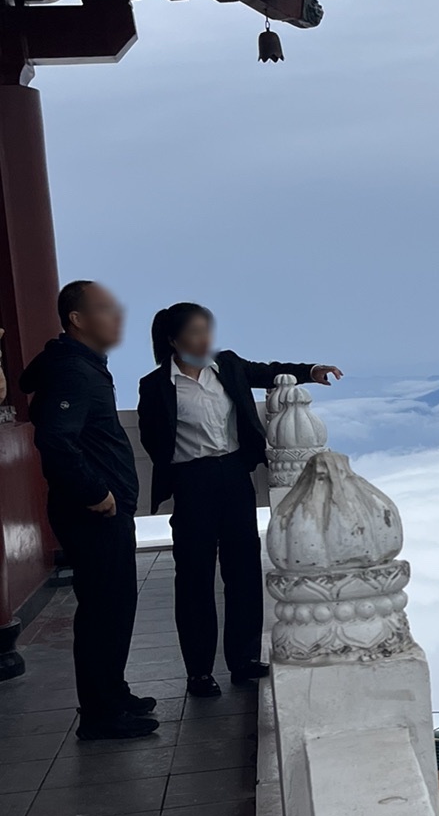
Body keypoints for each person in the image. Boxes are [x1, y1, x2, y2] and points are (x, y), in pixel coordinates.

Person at [137, 304, 341, 696]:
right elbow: (152, 437)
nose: (205, 340)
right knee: (194, 577)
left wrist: (311, 371)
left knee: (243, 570)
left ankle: (244, 658)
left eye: (207, 331)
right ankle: (198, 671)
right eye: (195, 333)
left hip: (234, 475)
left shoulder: (226, 366)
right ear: (173, 340)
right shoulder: (157, 384)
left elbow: (267, 371)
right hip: (192, 480)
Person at [19, 281, 156, 740]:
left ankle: (113, 695)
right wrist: (95, 491)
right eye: (104, 309)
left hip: (103, 510)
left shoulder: (81, 364)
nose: (117, 317)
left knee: (115, 607)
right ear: (77, 319)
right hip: (93, 511)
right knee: (103, 610)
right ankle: (100, 715)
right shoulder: (73, 371)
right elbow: (55, 438)